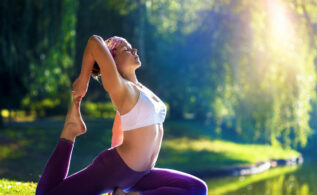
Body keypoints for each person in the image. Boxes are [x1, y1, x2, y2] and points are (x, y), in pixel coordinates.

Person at [35, 35, 208, 195]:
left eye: (132, 48)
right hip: (115, 170)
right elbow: (94, 41)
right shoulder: (119, 86)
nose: (134, 51)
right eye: (126, 49)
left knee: (197, 188)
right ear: (113, 61)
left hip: (140, 175)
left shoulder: (141, 89)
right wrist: (83, 79)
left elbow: (118, 132)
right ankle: (69, 133)